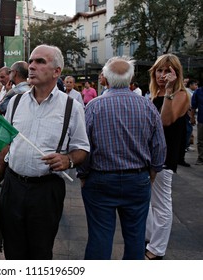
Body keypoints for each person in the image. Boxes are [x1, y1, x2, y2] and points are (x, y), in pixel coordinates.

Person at [0, 44, 90, 259]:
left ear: (56, 71)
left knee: (40, 251)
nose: (31, 66)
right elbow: (7, 145)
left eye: (40, 62)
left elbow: (83, 149)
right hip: (13, 187)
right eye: (31, 61)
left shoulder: (72, 107)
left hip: (46, 191)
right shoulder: (15, 102)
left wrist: (68, 160)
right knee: (12, 248)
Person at [77, 56, 167, 260]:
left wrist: (83, 175)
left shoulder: (93, 106)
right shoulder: (147, 106)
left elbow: (85, 146)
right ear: (130, 78)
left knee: (99, 237)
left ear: (105, 80)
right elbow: (159, 146)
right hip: (137, 179)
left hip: (100, 180)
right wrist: (152, 171)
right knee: (135, 238)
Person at [145, 54, 190, 260]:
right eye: (160, 70)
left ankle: (157, 249)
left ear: (176, 74)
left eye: (167, 71)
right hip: (150, 155)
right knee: (148, 201)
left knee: (161, 203)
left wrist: (170, 91)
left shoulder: (179, 94)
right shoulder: (155, 94)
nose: (162, 75)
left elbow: (165, 121)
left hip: (165, 157)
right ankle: (150, 239)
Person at [191, 85, 203, 165]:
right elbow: (193, 106)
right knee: (201, 140)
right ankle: (201, 158)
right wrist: (192, 117)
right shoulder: (198, 92)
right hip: (201, 120)